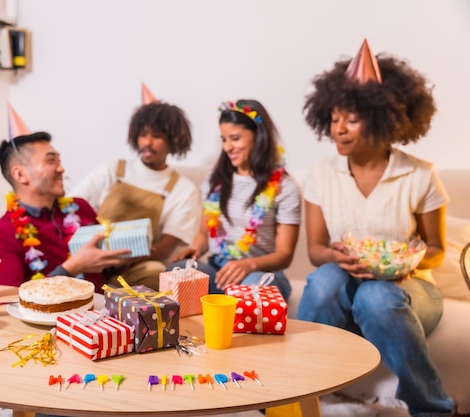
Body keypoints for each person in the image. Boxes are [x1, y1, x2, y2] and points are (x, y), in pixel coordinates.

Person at [296, 40, 455, 416]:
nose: (339, 129)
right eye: (334, 119)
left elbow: (436, 249)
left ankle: (432, 407)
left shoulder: (419, 174)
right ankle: (295, 395)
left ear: (383, 118)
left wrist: (405, 264)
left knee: (377, 297)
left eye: (351, 120)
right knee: (325, 279)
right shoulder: (322, 174)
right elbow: (316, 250)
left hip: (408, 291)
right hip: (343, 287)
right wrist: (336, 256)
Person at [0, 105, 130, 289]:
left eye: (59, 161)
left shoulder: (80, 208)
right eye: (51, 161)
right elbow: (13, 301)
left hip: (97, 312)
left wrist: (120, 260)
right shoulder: (0, 236)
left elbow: (102, 272)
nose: (61, 169)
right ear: (20, 175)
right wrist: (73, 267)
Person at [168, 99, 301, 299]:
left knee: (250, 290)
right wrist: (195, 248)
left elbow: (284, 255)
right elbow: (205, 232)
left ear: (259, 136)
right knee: (176, 272)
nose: (228, 147)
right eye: (224, 139)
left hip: (260, 273)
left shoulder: (284, 187)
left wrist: (249, 264)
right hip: (218, 270)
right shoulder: (217, 180)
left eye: (235, 138)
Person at [70, 101, 201, 291]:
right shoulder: (113, 170)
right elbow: (71, 210)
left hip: (135, 266)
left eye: (157, 136)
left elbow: (166, 246)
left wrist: (122, 258)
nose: (147, 142)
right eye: (143, 135)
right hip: (90, 257)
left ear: (173, 141)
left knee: (156, 271)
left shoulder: (183, 189)